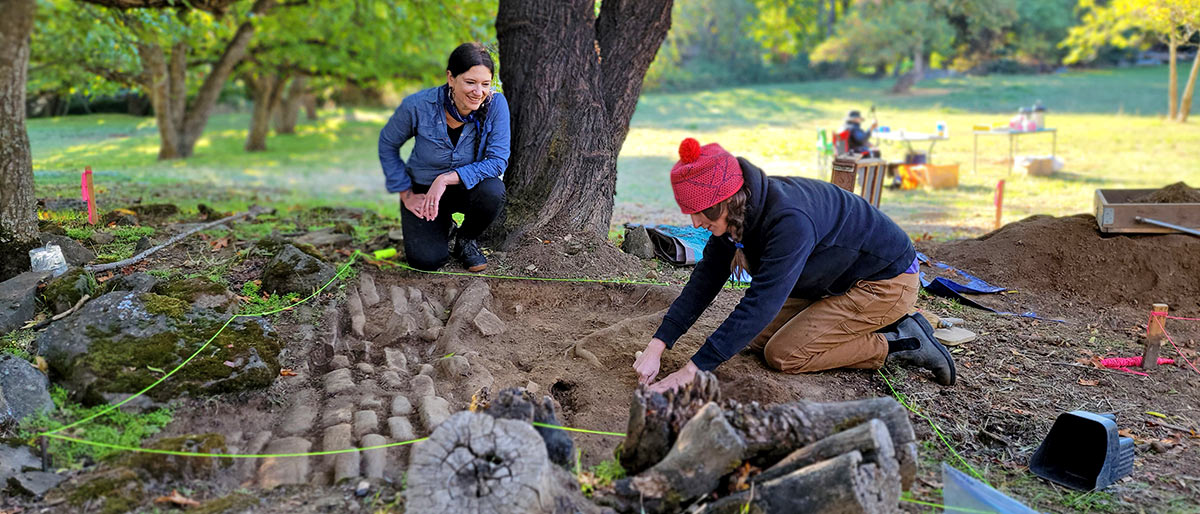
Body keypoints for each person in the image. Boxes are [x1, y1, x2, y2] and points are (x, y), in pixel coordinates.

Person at [632, 138, 956, 392]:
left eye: (703, 212)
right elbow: (707, 278)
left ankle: (902, 341)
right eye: (691, 211)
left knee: (784, 355)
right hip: (834, 280)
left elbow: (761, 303)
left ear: (729, 199)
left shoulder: (788, 220)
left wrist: (691, 372)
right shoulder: (737, 212)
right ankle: (863, 323)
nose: (695, 221)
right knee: (755, 339)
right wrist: (657, 346)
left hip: (883, 281)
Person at [378, 42, 509, 272]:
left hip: (467, 187)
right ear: (451, 78)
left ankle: (465, 240)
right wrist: (407, 195)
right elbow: (388, 143)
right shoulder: (418, 105)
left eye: (485, 84)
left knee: (493, 191)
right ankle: (439, 227)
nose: (478, 92)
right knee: (426, 261)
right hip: (424, 190)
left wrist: (447, 178)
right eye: (470, 82)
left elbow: (498, 161)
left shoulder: (496, 105)